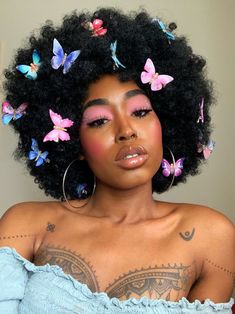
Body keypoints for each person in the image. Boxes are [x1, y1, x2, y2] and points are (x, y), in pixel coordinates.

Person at [0, 7, 234, 314]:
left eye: (140, 112)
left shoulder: (210, 235)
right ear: (75, 141)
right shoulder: (24, 225)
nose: (126, 132)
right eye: (98, 121)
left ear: (165, 122)